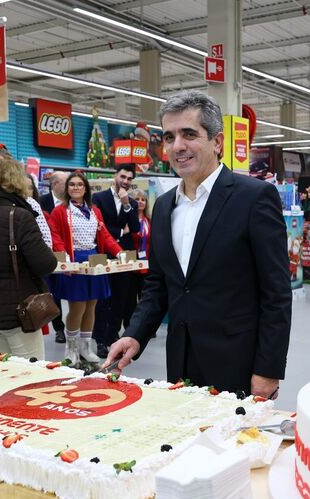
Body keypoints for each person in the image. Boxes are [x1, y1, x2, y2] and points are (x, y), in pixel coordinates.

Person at [102, 91, 291, 398]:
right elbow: (158, 285)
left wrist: (268, 370)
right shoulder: (162, 207)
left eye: (189, 134)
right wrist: (135, 335)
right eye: (169, 137)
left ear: (217, 142)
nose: (178, 146)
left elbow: (277, 294)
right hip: (180, 361)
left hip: (238, 364)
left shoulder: (253, 198)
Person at [0, 153, 58, 360]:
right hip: (19, 310)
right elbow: (45, 263)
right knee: (31, 375)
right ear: (15, 181)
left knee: (7, 370)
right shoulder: (20, 216)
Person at [47, 172, 123, 364]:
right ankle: (71, 349)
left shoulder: (95, 210)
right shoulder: (60, 211)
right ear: (67, 188)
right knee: (77, 307)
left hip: (94, 260)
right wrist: (64, 257)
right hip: (74, 261)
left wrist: (119, 252)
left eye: (80, 185)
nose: (76, 188)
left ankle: (85, 348)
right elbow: (55, 236)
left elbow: (104, 235)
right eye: (72, 185)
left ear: (86, 188)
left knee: (92, 306)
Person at [92, 164, 141, 355]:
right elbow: (99, 225)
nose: (125, 181)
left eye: (129, 179)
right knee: (104, 298)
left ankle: (113, 335)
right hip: (104, 253)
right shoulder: (99, 198)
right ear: (115, 175)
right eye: (123, 177)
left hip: (126, 255)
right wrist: (121, 231)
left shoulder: (132, 203)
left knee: (121, 297)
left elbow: (135, 228)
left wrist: (127, 204)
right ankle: (100, 338)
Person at [39, 170, 68, 343]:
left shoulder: (71, 203)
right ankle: (59, 329)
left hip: (67, 253)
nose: (71, 186)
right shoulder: (42, 202)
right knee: (53, 293)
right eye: (66, 183)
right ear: (55, 184)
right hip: (48, 255)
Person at [128, 187, 151, 323]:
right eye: (137, 199)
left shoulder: (149, 220)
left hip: (147, 265)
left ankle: (144, 323)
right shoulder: (128, 220)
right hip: (131, 265)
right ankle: (131, 323)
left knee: (144, 296)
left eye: (143, 200)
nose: (140, 202)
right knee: (130, 298)